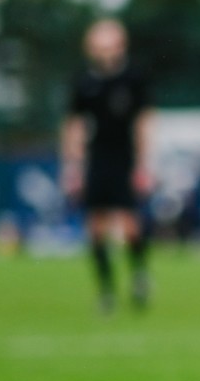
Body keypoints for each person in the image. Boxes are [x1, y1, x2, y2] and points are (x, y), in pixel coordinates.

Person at [61, 19, 153, 313]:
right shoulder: (84, 81)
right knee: (95, 227)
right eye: (100, 47)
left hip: (124, 158)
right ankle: (106, 290)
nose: (105, 53)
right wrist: (73, 166)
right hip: (96, 158)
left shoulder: (134, 77)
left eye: (110, 46)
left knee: (129, 225)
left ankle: (139, 275)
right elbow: (74, 125)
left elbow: (144, 122)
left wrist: (143, 165)